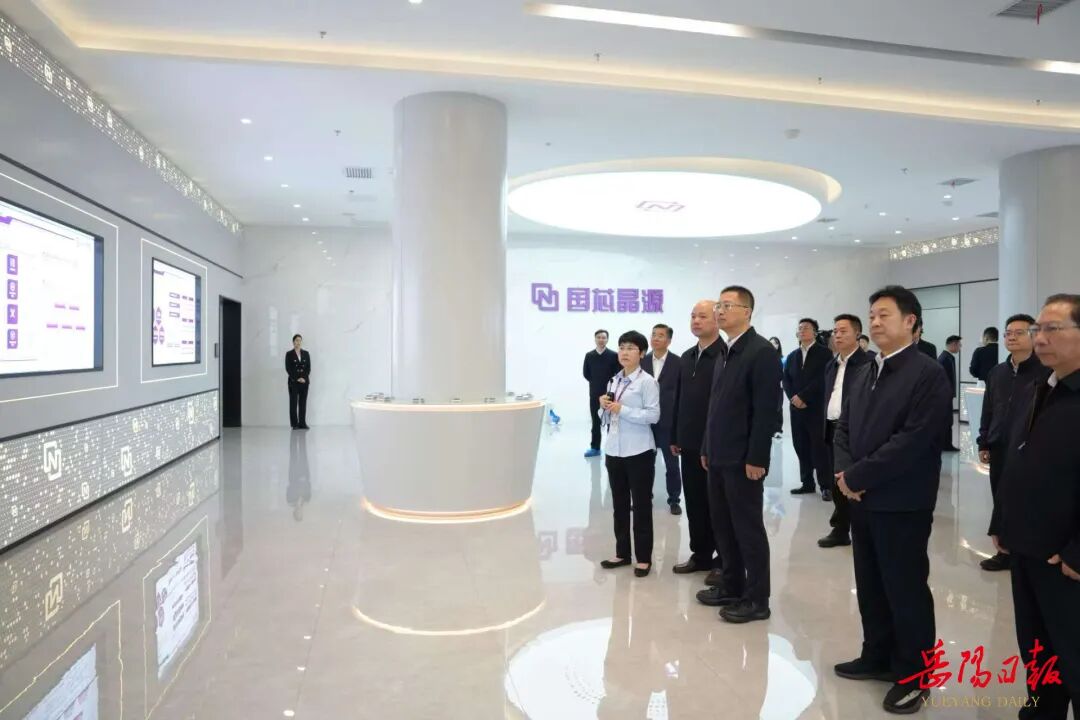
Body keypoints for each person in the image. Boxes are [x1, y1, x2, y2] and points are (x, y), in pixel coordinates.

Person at [833, 285, 951, 714]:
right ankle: (877, 655)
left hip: (902, 500)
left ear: (911, 321)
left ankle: (915, 676)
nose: (876, 322)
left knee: (905, 589)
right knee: (870, 583)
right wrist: (845, 474)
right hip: (861, 499)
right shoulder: (867, 369)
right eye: (872, 315)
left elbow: (914, 440)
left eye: (884, 314)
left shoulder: (927, 373)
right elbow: (844, 427)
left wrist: (857, 475)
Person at [990, 294, 1080, 720]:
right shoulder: (1037, 389)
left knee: (1074, 654)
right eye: (1037, 329)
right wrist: (1001, 520)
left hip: (1067, 560)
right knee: (1038, 650)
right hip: (1026, 548)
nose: (1040, 338)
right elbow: (1015, 461)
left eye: (1052, 329)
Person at [696, 286, 782, 624]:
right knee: (723, 526)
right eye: (718, 305)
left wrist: (757, 458)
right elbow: (714, 406)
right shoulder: (725, 350)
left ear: (747, 311)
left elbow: (766, 411)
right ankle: (732, 585)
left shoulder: (761, 352)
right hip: (718, 454)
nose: (720, 310)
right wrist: (706, 446)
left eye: (727, 305)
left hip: (743, 458)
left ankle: (757, 599)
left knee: (747, 529)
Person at [977, 313, 1047, 573]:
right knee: (1001, 498)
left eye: (1019, 332)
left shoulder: (1046, 371)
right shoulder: (997, 373)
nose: (1012, 337)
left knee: (1027, 499)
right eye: (1008, 333)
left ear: (1034, 336)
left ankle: (1027, 550)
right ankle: (1004, 551)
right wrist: (984, 441)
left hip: (1031, 449)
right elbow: (988, 409)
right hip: (999, 445)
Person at [599, 330, 661, 578]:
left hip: (639, 451)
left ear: (642, 353)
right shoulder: (614, 380)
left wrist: (622, 409)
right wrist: (603, 407)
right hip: (614, 450)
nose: (624, 352)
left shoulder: (647, 382)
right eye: (622, 347)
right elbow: (605, 417)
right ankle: (622, 553)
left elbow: (653, 415)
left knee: (642, 505)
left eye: (631, 348)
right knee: (619, 504)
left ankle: (643, 558)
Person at [670, 301, 726, 575]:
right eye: (693, 316)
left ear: (717, 320)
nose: (696, 321)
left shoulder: (726, 355)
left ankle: (724, 559)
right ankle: (701, 553)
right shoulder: (687, 356)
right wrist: (675, 435)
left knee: (719, 505)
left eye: (702, 316)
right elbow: (678, 399)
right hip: (689, 443)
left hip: (716, 444)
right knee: (694, 501)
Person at [817, 313, 871, 549]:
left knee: (855, 479)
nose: (837, 335)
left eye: (843, 331)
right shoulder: (831, 364)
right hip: (832, 428)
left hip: (856, 431)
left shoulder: (868, 363)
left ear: (857, 334)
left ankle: (862, 529)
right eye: (835, 331)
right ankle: (840, 529)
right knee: (836, 479)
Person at [784, 318, 833, 499]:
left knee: (819, 447)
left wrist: (804, 397)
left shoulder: (825, 353)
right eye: (800, 328)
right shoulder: (792, 356)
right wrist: (793, 398)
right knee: (801, 445)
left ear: (815, 332)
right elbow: (786, 380)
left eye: (806, 328)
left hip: (815, 408)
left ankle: (826, 485)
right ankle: (807, 483)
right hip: (796, 409)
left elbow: (823, 378)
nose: (802, 330)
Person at [642, 324, 683, 515]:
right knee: (644, 464)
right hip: (645, 422)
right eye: (653, 335)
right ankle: (644, 498)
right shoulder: (642, 361)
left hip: (669, 422)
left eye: (660, 335)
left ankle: (674, 499)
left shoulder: (678, 362)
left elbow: (683, 393)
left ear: (669, 340)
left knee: (672, 464)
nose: (655, 338)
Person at [584, 330, 622, 458]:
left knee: (611, 422)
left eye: (604, 337)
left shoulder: (614, 355)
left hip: (610, 394)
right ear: (595, 339)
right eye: (599, 337)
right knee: (596, 422)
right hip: (594, 394)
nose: (601, 339)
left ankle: (612, 447)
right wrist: (596, 383)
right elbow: (586, 374)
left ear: (607, 339)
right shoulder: (589, 355)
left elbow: (618, 373)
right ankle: (595, 448)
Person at [938, 335, 962, 452]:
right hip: (943, 396)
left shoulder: (947, 357)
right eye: (959, 345)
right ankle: (946, 445)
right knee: (946, 421)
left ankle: (946, 444)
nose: (960, 347)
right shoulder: (945, 359)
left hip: (945, 395)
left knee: (947, 420)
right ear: (953, 344)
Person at [286, 334, 311, 429]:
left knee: (303, 403)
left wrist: (304, 378)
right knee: (293, 403)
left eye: (300, 340)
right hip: (294, 382)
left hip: (304, 382)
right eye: (296, 340)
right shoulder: (289, 354)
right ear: (293, 342)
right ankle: (295, 424)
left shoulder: (306, 353)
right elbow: (288, 368)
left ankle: (302, 423)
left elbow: (308, 368)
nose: (298, 342)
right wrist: (297, 378)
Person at [769, 336, 785, 439]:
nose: (774, 345)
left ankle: (778, 430)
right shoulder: (764, 358)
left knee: (778, 409)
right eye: (771, 343)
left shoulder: (783, 359)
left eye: (776, 343)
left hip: (778, 387)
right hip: (766, 387)